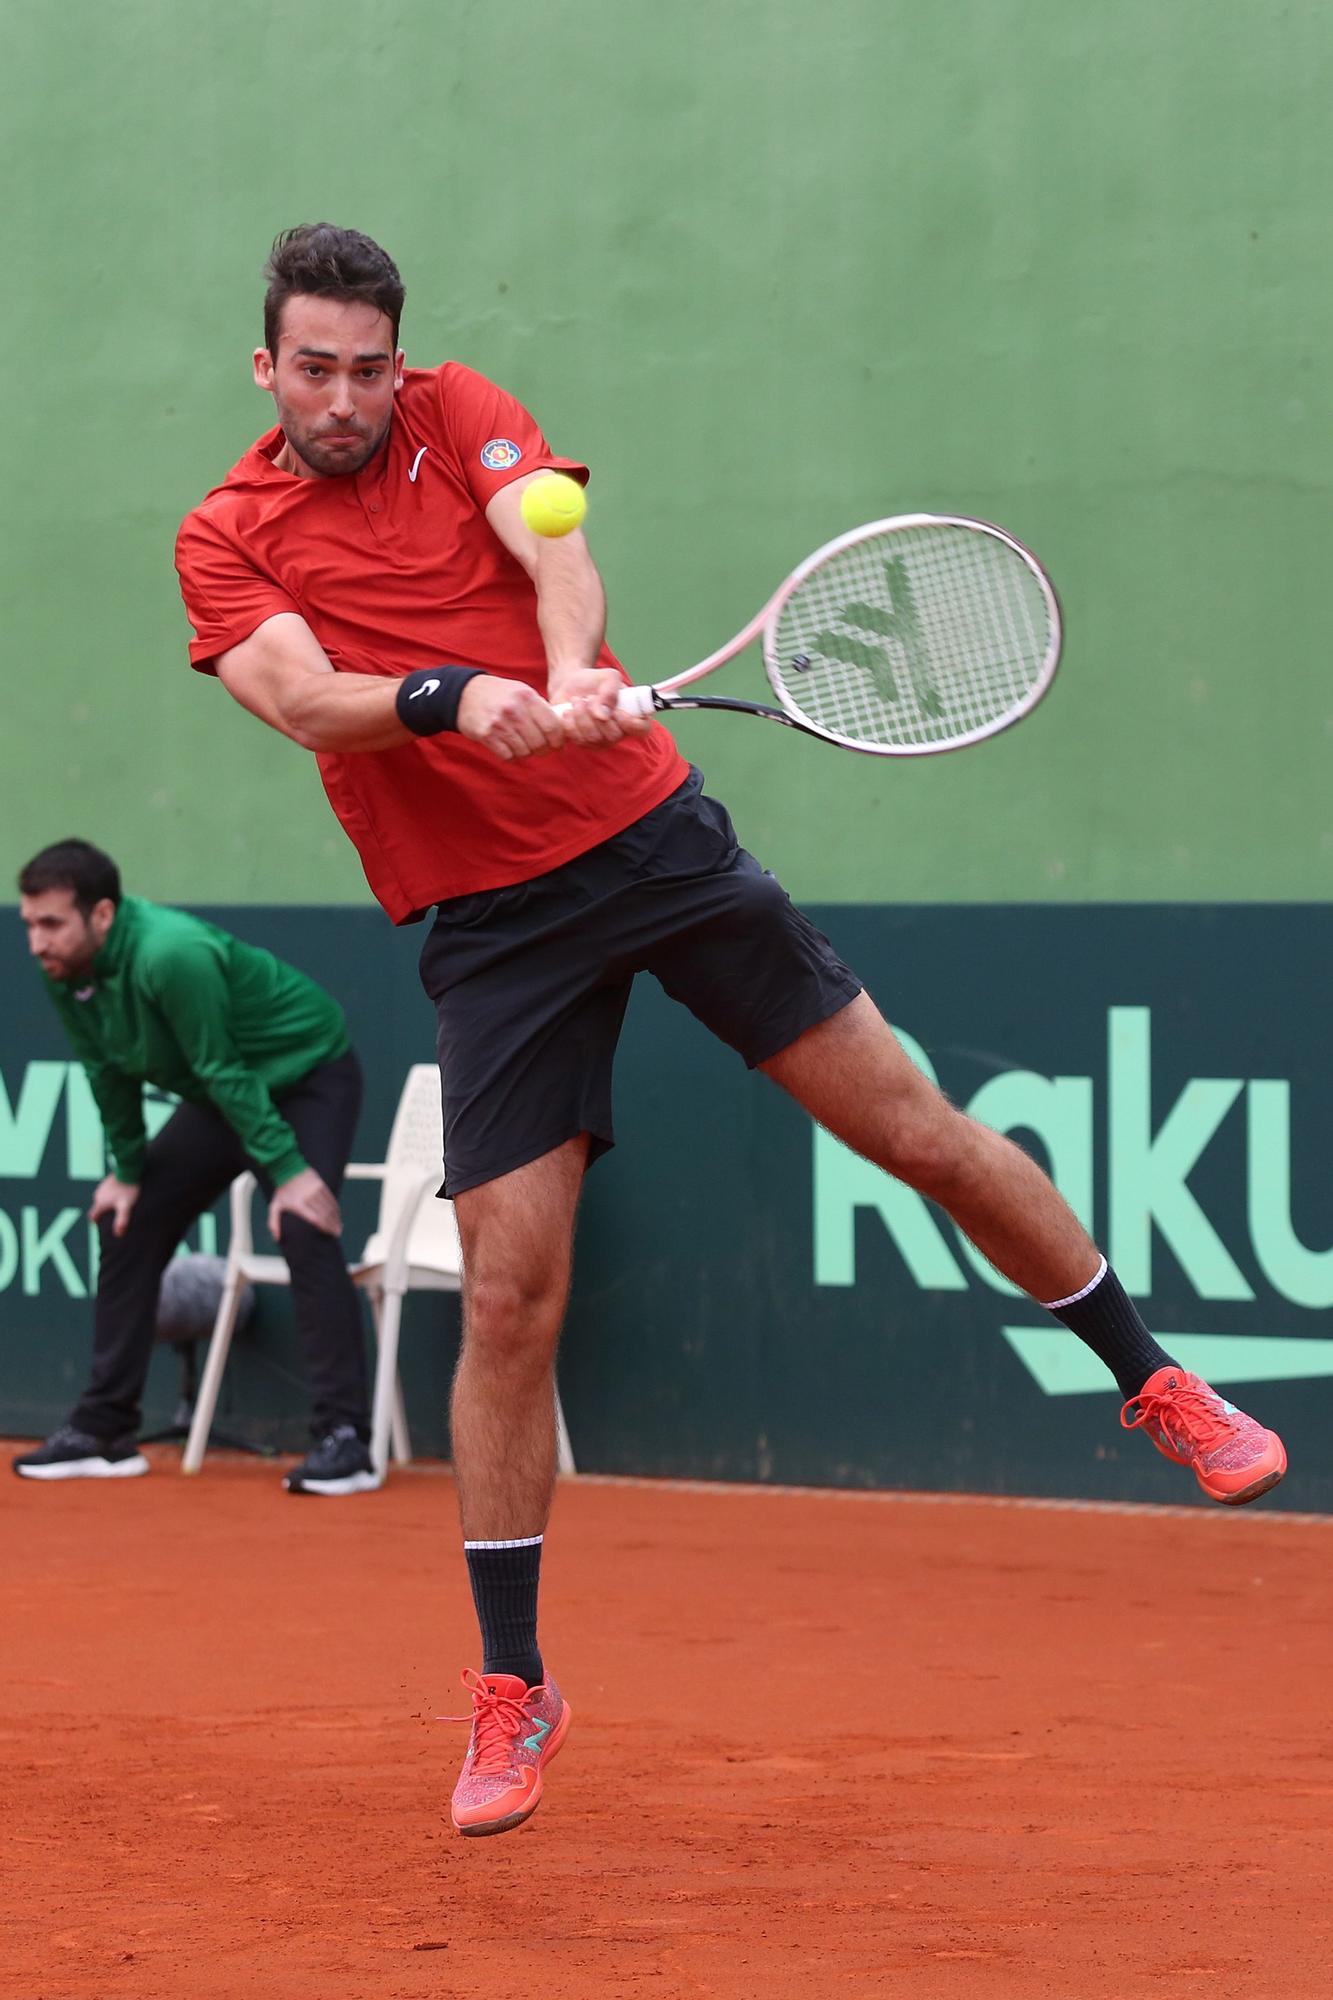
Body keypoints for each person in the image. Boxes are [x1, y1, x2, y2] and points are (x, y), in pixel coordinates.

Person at [173, 223, 1287, 1837]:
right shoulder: (230, 531)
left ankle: (1157, 1381)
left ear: (397, 365)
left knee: (913, 1127)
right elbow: (293, 695)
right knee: (508, 1293)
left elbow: (550, 542)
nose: (345, 395)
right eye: (314, 368)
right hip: (490, 927)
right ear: (264, 368)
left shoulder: (454, 408)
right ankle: (511, 1686)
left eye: (368, 367)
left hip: (649, 842)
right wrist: (446, 697)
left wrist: (558, 669)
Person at [13, 839, 378, 1497]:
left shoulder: (170, 955)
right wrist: (126, 1170)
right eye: (29, 925)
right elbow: (106, 1070)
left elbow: (220, 1067)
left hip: (304, 1075)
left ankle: (344, 1439)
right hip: (223, 1093)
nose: (37, 942)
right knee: (125, 1219)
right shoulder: (68, 969)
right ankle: (104, 1431)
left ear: (101, 915)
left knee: (303, 1225)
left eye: (51, 924)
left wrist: (291, 1172)